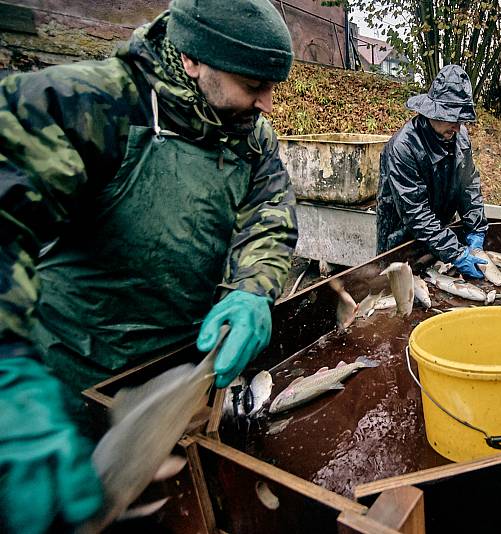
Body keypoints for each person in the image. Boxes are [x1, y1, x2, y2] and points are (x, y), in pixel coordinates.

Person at [0, 0, 298, 531]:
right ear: (192, 61)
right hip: (68, 387)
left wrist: (253, 286)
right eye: (254, 84)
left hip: (179, 378)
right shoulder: (91, 105)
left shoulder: (250, 135)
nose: (268, 102)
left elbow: (269, 219)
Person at [376, 64, 489, 278]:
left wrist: (476, 227)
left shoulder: (460, 136)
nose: (458, 127)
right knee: (399, 302)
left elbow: (469, 185)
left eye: (461, 120)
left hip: (439, 236)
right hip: (402, 240)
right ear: (433, 112)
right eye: (452, 119)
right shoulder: (403, 147)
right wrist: (455, 252)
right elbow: (415, 212)